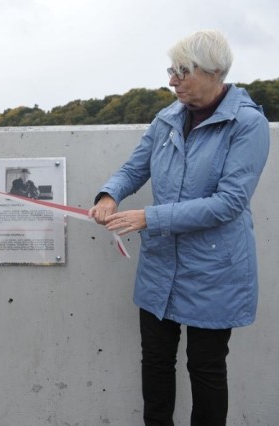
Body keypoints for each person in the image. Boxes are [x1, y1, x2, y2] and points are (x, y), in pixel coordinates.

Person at [88, 30, 269, 426]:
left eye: (183, 71)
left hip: (215, 270)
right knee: (155, 364)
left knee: (205, 369)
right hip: (160, 266)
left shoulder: (248, 124)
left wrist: (148, 218)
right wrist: (109, 195)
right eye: (172, 70)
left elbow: (229, 203)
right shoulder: (167, 117)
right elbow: (135, 167)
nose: (172, 80)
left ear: (215, 72)